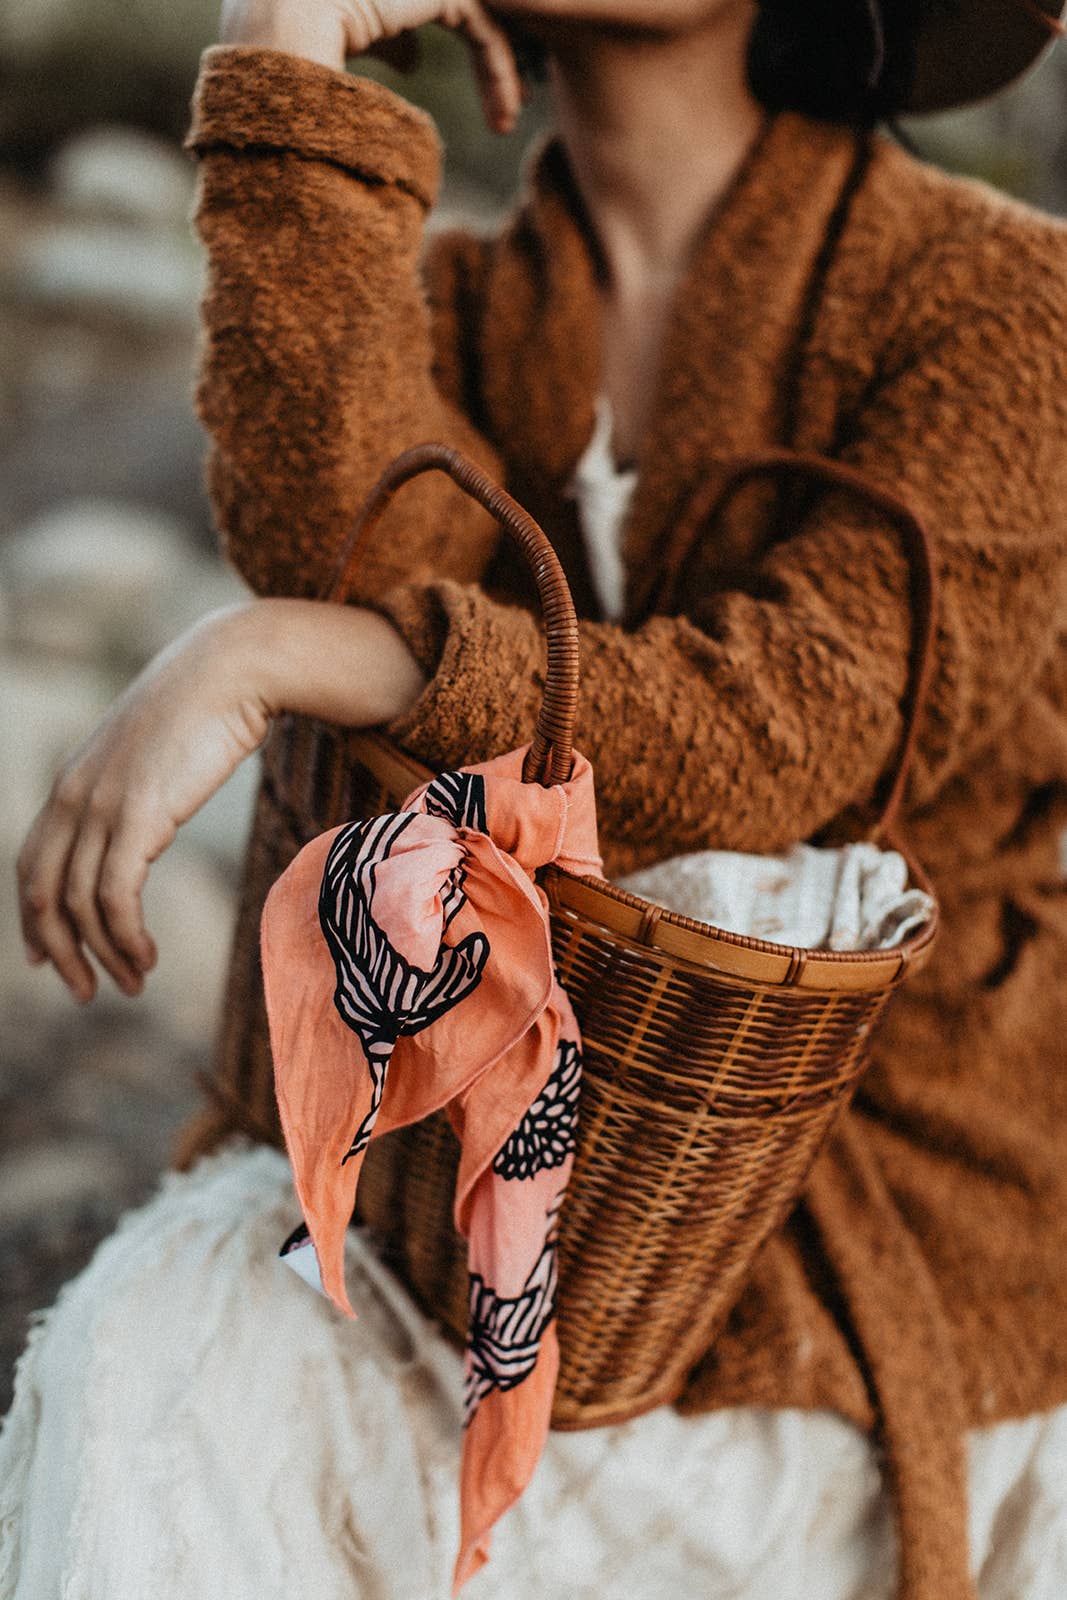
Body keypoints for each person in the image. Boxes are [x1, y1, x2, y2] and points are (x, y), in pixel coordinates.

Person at [5, 2, 1067, 1597]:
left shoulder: (1001, 299)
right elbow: (344, 541)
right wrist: (288, 58)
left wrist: (277, 653)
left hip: (873, 1245)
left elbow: (782, 738)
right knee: (156, 1346)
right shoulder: (465, 300)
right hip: (472, 1191)